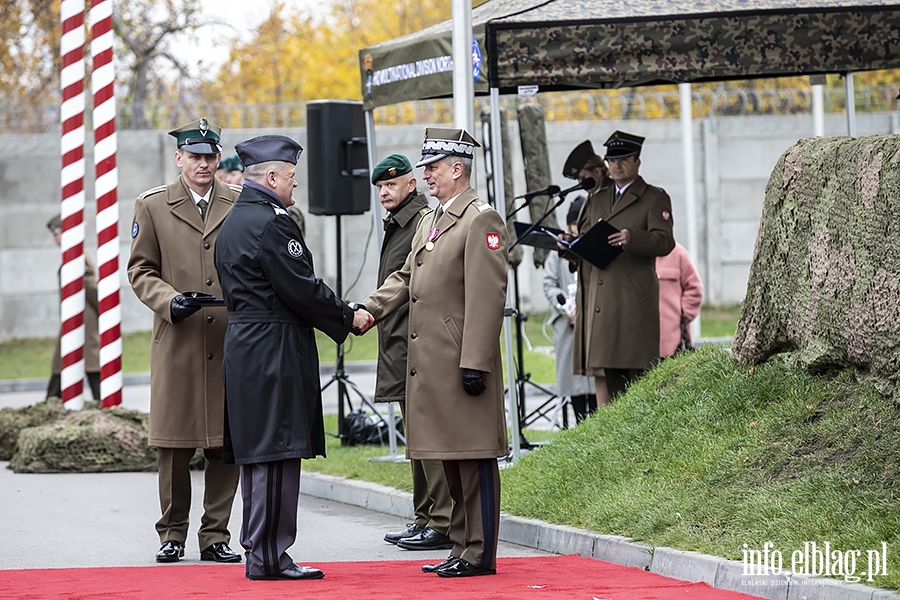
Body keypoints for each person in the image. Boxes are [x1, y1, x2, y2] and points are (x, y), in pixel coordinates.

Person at [213, 134, 373, 581]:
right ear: (271, 176)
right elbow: (302, 287)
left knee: (260, 455)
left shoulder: (234, 220)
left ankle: (261, 551)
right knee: (276, 452)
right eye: (291, 178)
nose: (294, 187)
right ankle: (268, 555)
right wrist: (348, 316)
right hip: (272, 349)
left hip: (248, 346)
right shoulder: (272, 223)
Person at [359, 128, 509, 578]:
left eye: (433, 167)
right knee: (450, 455)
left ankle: (480, 552)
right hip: (434, 362)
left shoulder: (480, 219)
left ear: (457, 168)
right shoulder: (432, 220)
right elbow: (406, 278)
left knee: (473, 457)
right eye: (425, 167)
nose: (425, 174)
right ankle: (462, 546)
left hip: (462, 360)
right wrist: (367, 310)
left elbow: (488, 297)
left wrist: (476, 362)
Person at [127, 117, 242, 565]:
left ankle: (215, 535)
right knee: (174, 445)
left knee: (224, 442)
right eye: (194, 156)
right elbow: (140, 270)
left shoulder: (238, 201)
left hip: (231, 338)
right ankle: (172, 533)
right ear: (179, 158)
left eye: (210, 156)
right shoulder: (153, 206)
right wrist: (169, 301)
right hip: (178, 338)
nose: (204, 164)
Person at [369, 154, 453, 552]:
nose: (385, 192)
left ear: (411, 184)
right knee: (415, 437)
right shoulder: (401, 221)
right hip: (400, 339)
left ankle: (441, 519)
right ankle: (425, 516)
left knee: (427, 434)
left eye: (392, 184)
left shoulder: (422, 221)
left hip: (415, 341)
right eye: (380, 187)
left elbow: (413, 282)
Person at [560, 131, 675, 406]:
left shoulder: (653, 198)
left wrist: (632, 237)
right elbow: (586, 239)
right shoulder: (596, 199)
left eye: (623, 159)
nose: (617, 166)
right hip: (598, 300)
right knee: (604, 372)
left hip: (630, 299)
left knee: (635, 377)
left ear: (637, 161)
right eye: (612, 160)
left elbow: (665, 242)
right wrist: (569, 247)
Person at [541, 197, 597, 423]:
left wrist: (584, 310)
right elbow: (549, 283)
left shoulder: (593, 247)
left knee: (593, 380)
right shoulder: (557, 252)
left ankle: (596, 424)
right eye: (574, 224)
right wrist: (564, 306)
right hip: (567, 324)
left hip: (591, 322)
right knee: (571, 378)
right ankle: (577, 423)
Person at [45, 214, 100, 401]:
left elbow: (90, 287)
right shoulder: (73, 254)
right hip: (76, 323)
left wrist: (103, 312)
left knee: (89, 370)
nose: (55, 239)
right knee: (71, 368)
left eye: (57, 233)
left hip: (82, 323)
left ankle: (51, 406)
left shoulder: (78, 256)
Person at [656, 241, 703, 357]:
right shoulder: (632, 256)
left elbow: (695, 289)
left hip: (672, 345)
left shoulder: (679, 254)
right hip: (637, 347)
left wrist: (682, 315)